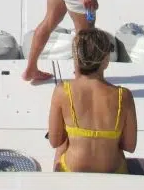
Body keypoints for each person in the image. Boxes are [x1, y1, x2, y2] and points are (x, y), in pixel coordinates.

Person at [47, 28, 137, 173]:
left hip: (72, 170)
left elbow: (55, 141)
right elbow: (129, 146)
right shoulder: (124, 96)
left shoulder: (62, 91)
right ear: (105, 60)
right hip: (113, 172)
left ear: (76, 58)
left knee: (61, 147)